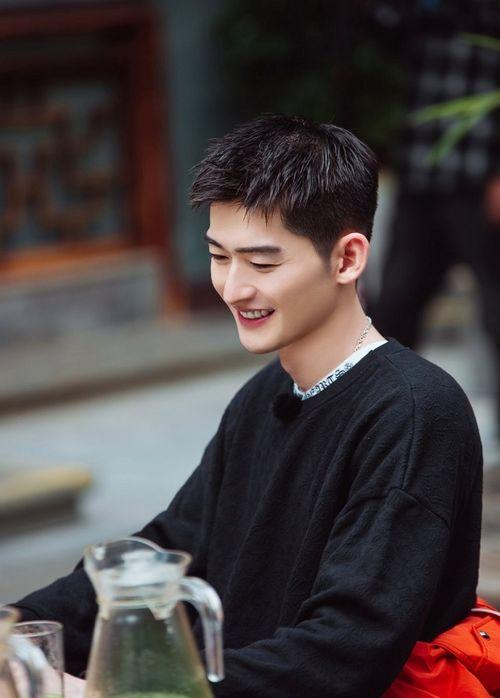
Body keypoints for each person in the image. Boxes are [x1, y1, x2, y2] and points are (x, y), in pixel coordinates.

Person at [12, 114, 482, 697]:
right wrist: (18, 628)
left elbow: (345, 649)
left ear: (347, 259)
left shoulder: (413, 412)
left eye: (262, 263)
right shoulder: (267, 391)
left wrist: (124, 691)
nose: (233, 289)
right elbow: (172, 548)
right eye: (219, 256)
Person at [370, 0, 500, 432]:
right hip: (421, 178)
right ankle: (379, 423)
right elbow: (382, 32)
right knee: (395, 309)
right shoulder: (419, 15)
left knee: (496, 309)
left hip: (480, 182)